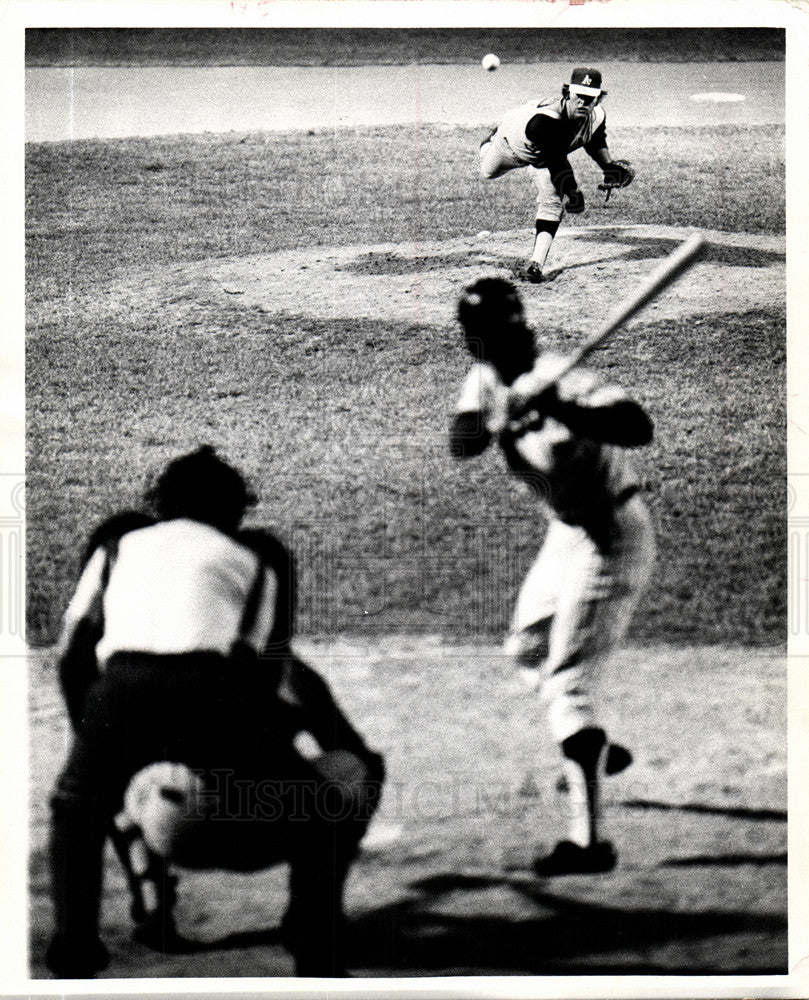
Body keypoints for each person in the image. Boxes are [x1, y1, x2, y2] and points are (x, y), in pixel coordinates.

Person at [46, 445, 384, 978]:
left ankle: (73, 951)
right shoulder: (253, 559)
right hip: (209, 687)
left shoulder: (118, 543)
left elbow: (72, 654)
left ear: (161, 502)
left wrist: (87, 741)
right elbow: (262, 672)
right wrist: (259, 753)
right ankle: (316, 946)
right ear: (234, 511)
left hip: (118, 686)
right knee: (321, 806)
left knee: (75, 809)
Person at [449, 278, 655, 875]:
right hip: (565, 535)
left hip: (611, 536)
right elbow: (461, 443)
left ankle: (591, 844)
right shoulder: (488, 377)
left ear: (516, 330)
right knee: (526, 649)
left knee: (568, 684)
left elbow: (636, 425)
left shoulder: (567, 373)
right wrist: (499, 419)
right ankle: (594, 748)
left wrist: (558, 403)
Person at [479, 67, 635, 283]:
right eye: (579, 96)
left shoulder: (596, 115)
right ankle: (489, 141)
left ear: (598, 100)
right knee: (487, 172)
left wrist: (608, 166)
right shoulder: (544, 121)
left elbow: (595, 139)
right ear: (567, 93)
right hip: (510, 148)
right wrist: (572, 191)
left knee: (552, 203)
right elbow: (557, 162)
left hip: (545, 157)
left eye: (590, 98)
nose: (583, 103)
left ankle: (536, 264)